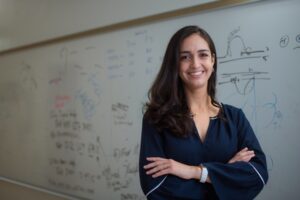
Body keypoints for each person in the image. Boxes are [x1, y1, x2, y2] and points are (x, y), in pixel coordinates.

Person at [139, 25, 268, 200]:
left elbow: (257, 174)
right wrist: (224, 176)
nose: (195, 64)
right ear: (175, 64)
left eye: (203, 55)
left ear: (213, 60)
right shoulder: (156, 118)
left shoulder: (235, 118)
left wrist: (194, 172)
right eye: (185, 57)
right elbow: (156, 188)